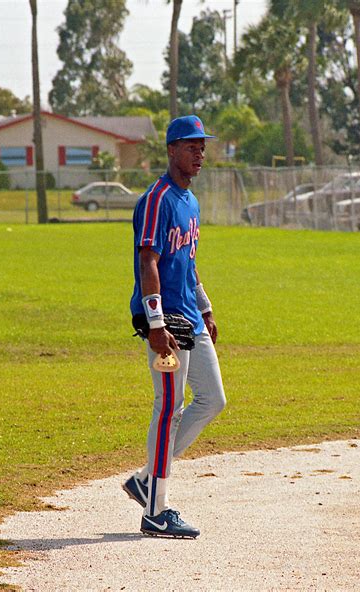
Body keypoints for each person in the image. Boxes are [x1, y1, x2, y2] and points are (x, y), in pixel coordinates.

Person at [124, 115, 226, 539]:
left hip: (190, 316)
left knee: (212, 400)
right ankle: (155, 510)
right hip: (166, 321)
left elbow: (188, 262)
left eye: (202, 146)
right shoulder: (157, 199)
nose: (198, 152)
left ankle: (148, 478)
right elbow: (148, 259)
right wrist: (154, 321)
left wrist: (205, 307)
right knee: (169, 408)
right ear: (171, 150)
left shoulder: (191, 201)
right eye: (190, 145)